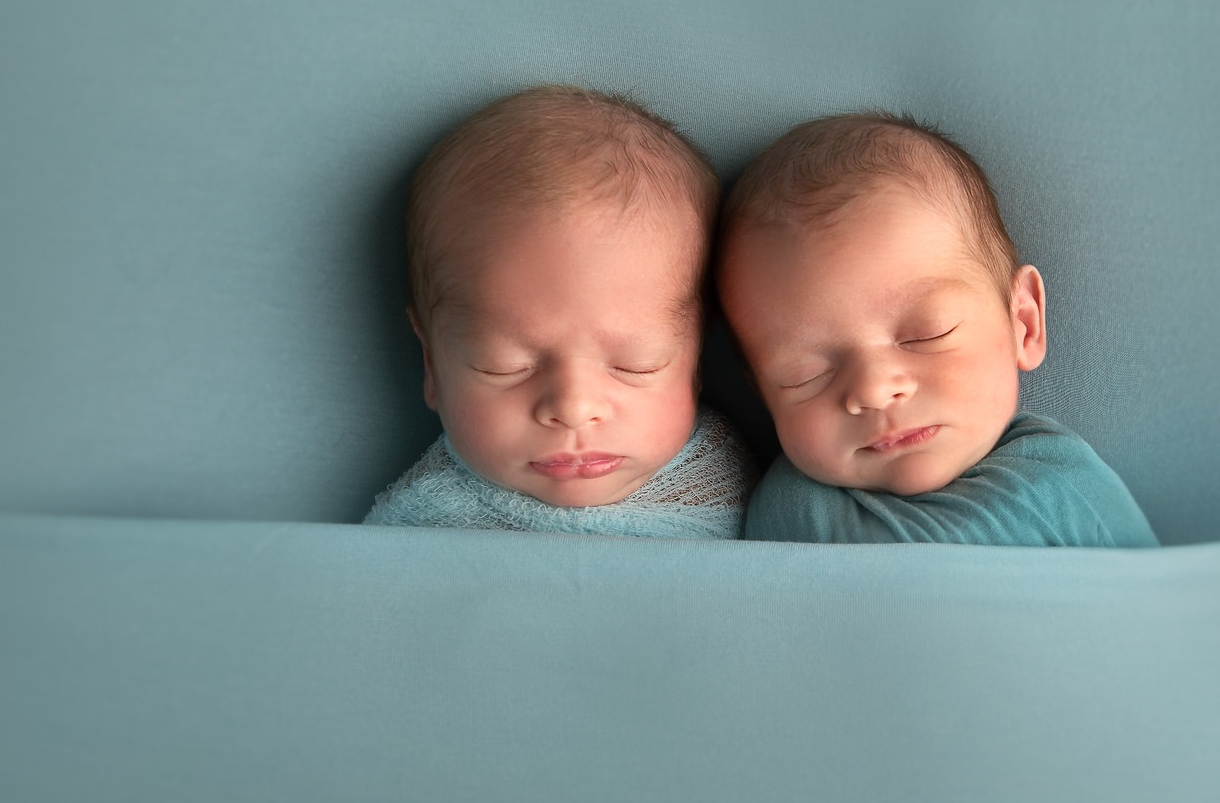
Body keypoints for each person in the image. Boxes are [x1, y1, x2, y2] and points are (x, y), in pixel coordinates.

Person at [716, 112, 1157, 546]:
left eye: (927, 334)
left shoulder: (1067, 488)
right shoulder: (782, 513)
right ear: (765, 397)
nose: (874, 390)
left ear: (1022, 323)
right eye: (805, 373)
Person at [365, 85, 754, 537]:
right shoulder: (418, 531)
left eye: (635, 365)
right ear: (432, 362)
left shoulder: (740, 481)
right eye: (504, 366)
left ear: (696, 360)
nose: (573, 407)